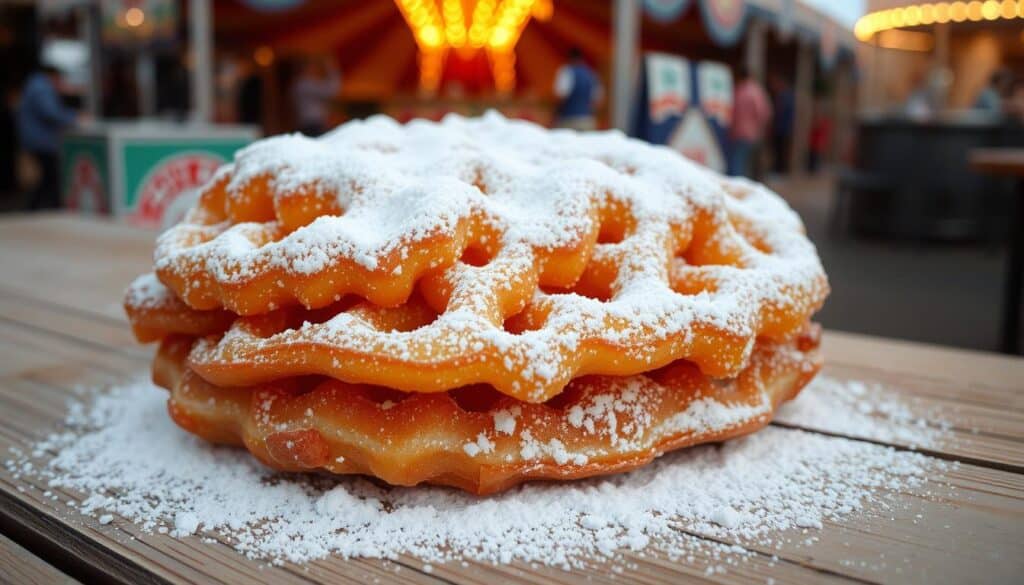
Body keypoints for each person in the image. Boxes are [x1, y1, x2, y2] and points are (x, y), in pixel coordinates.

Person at [17, 64, 80, 211]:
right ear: (53, 76)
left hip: (35, 140)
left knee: (47, 178)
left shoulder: (33, 85)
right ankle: (47, 208)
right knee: (50, 178)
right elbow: (50, 113)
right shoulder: (42, 88)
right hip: (42, 141)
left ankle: (37, 208)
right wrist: (73, 118)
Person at [728, 64, 771, 179]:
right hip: (751, 134)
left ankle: (737, 189)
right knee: (744, 165)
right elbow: (764, 113)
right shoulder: (756, 91)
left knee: (737, 165)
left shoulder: (740, 91)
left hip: (739, 133)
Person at [553, 47, 603, 131]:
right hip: (587, 120)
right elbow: (597, 101)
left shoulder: (567, 71)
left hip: (568, 120)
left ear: (569, 58)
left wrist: (555, 114)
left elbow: (561, 96)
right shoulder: (591, 74)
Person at [291, 58, 340, 137]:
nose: (313, 69)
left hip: (309, 123)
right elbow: (332, 90)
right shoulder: (305, 84)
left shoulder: (298, 84)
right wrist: (331, 66)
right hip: (313, 124)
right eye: (311, 66)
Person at [768, 74, 794, 175]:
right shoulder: (785, 95)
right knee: (779, 150)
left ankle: (780, 171)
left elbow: (781, 113)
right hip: (783, 128)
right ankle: (779, 170)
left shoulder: (784, 96)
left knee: (780, 150)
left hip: (782, 128)